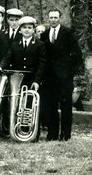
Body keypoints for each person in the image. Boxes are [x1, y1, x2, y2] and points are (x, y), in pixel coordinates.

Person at [40, 9, 82, 141]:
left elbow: (77, 54)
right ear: (48, 19)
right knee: (51, 106)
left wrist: (69, 71)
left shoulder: (68, 33)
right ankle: (52, 134)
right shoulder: (45, 34)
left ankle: (65, 135)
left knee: (65, 106)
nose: (53, 20)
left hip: (64, 77)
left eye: (55, 17)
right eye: (51, 17)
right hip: (49, 77)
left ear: (60, 18)